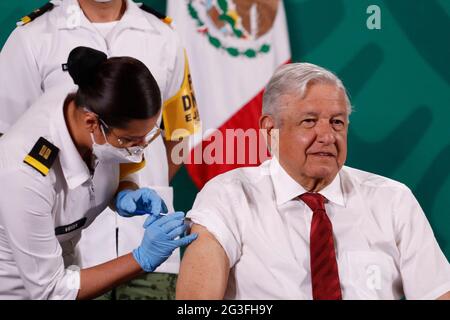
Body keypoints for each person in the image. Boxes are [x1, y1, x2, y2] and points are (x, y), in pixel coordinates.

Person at [176, 62, 450, 300]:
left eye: (337, 122)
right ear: (271, 130)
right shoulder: (230, 196)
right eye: (309, 121)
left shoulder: (392, 201)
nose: (328, 136)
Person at [0, 0, 200, 299]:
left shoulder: (88, 114)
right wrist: (141, 258)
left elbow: (177, 132)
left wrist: (125, 191)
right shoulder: (23, 172)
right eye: (130, 142)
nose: (138, 153)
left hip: (71, 265)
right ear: (93, 123)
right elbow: (51, 291)